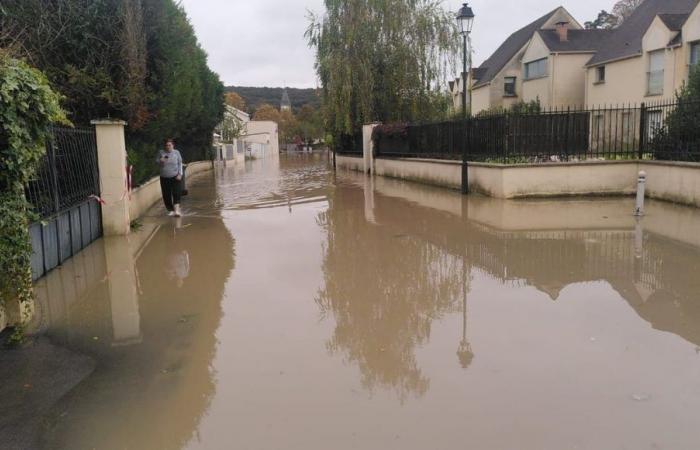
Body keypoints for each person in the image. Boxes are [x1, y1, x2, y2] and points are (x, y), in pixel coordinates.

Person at [157, 139, 183, 217]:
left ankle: (177, 210)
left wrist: (180, 174)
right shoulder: (161, 152)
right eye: (166, 145)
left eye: (169, 145)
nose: (168, 147)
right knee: (166, 194)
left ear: (173, 145)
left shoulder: (176, 152)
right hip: (164, 177)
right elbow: (157, 162)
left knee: (176, 193)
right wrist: (160, 161)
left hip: (175, 176)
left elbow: (180, 163)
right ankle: (171, 210)